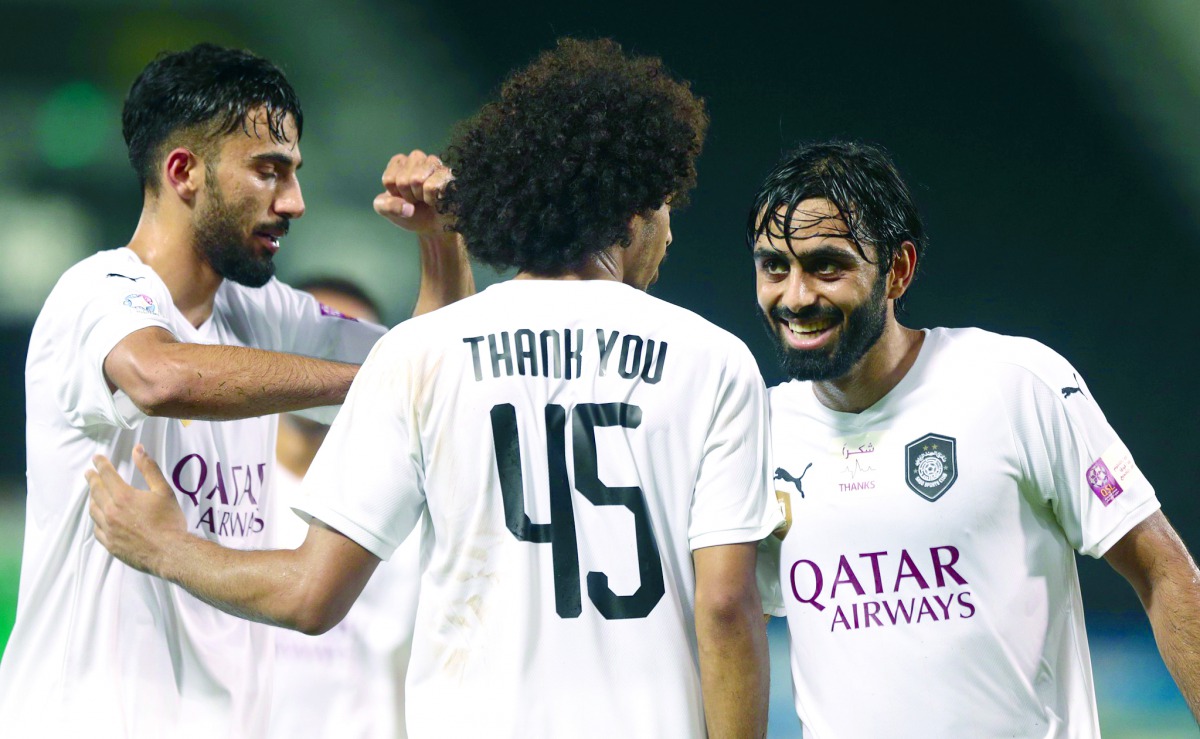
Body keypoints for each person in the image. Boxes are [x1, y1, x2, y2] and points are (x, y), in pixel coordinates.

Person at [87, 38, 781, 738]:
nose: (668, 233)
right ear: (635, 207)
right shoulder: (714, 361)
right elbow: (726, 607)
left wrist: (167, 547)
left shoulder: (423, 355)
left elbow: (310, 593)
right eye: (666, 208)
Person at [0, 43, 470, 738]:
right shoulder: (94, 293)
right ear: (184, 172)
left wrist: (440, 242)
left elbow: (434, 371)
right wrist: (377, 382)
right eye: (269, 170)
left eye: (295, 173)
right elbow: (161, 377)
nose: (296, 202)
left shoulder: (264, 312)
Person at [749, 140, 1200, 736]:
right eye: (774, 267)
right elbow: (716, 622)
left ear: (898, 270)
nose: (797, 295)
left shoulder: (1015, 384)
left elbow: (1164, 572)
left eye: (827, 265)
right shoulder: (755, 433)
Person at [266, 277, 419, 739]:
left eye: (355, 348)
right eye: (315, 339)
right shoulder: (215, 490)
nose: (326, 364)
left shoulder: (408, 507)